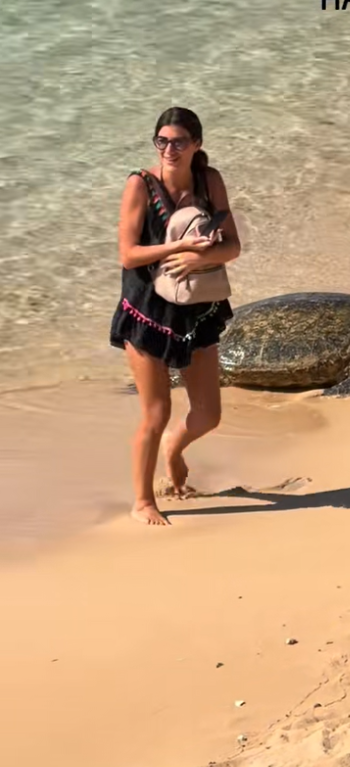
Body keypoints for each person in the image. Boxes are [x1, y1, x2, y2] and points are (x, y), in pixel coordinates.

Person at [110, 107, 241, 525]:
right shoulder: (140, 185)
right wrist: (176, 251)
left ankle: (174, 448)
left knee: (208, 414)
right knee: (156, 412)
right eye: (162, 141)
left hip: (199, 309)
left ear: (196, 145)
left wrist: (206, 253)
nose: (169, 149)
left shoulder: (210, 181)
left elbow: (233, 247)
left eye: (179, 142)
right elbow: (128, 254)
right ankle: (143, 502)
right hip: (147, 310)